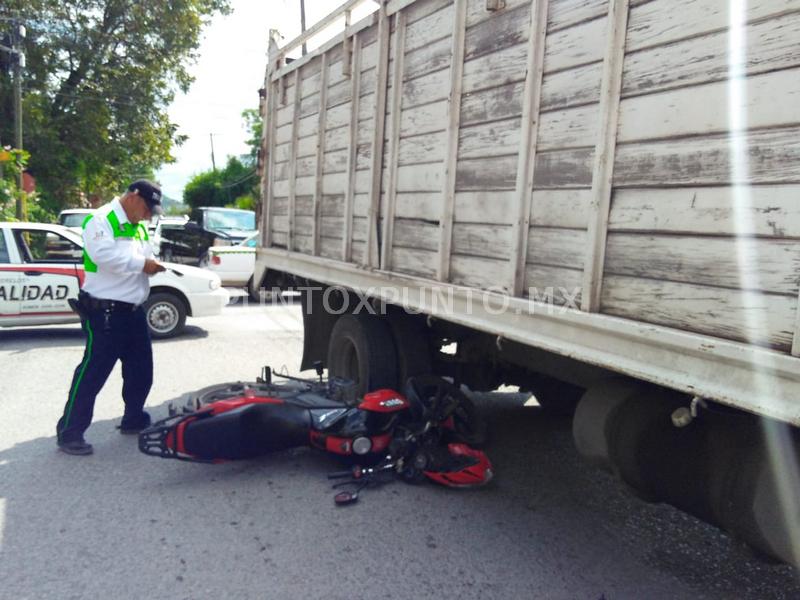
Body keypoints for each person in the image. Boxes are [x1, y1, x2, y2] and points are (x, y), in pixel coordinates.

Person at [56, 180, 167, 455]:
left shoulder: (138, 224)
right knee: (92, 374)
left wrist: (152, 263)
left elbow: (145, 255)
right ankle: (70, 432)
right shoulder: (100, 219)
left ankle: (133, 418)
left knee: (141, 370)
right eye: (146, 208)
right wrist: (144, 265)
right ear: (132, 196)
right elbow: (103, 256)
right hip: (105, 313)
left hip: (133, 311)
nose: (147, 215)